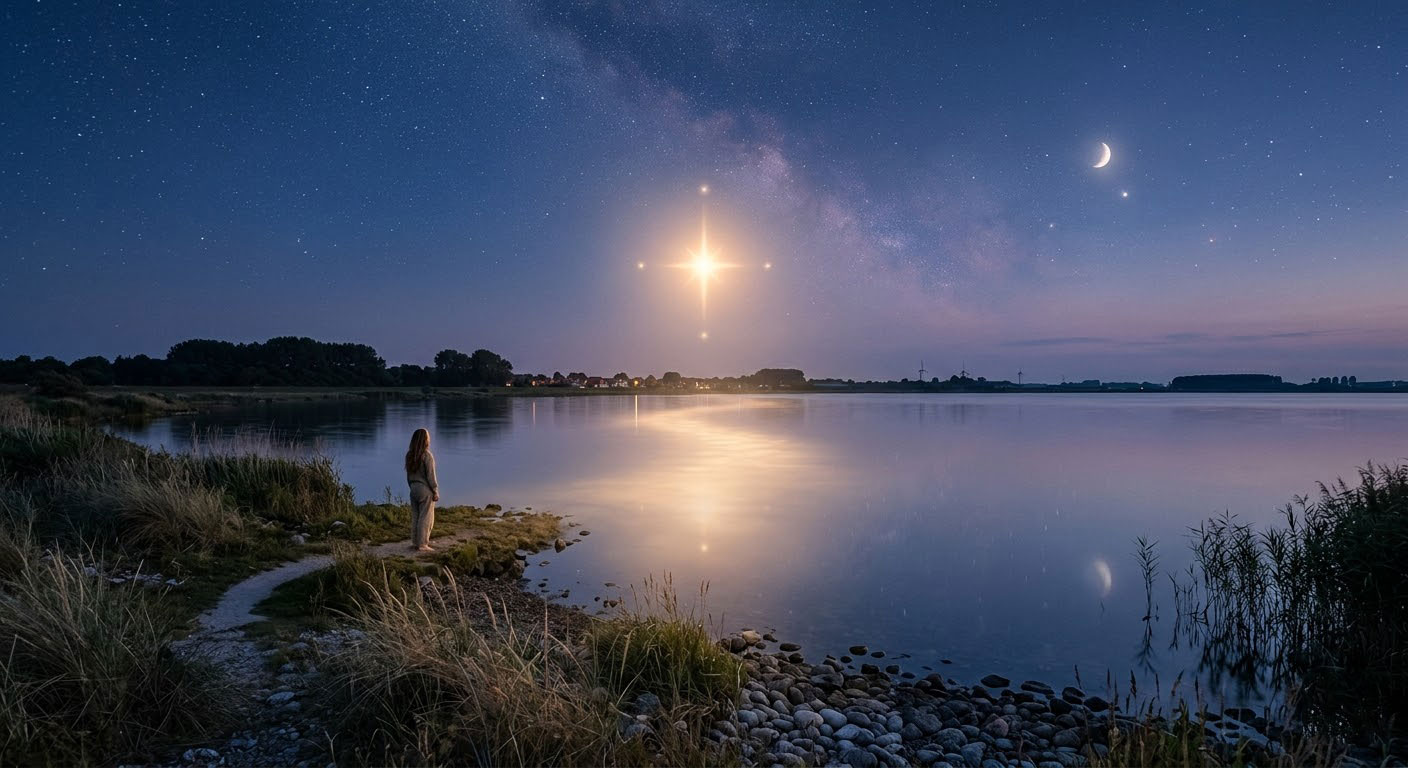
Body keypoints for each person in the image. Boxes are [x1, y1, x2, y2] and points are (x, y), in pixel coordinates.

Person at [404, 428, 439, 551]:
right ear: (425, 440)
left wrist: (412, 488)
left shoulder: (409, 455)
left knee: (416, 516)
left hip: (413, 488)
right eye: (428, 437)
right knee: (426, 517)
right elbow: (431, 476)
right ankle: (423, 544)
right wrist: (435, 491)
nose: (429, 439)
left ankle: (415, 541)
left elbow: (408, 476)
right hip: (425, 489)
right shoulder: (427, 455)